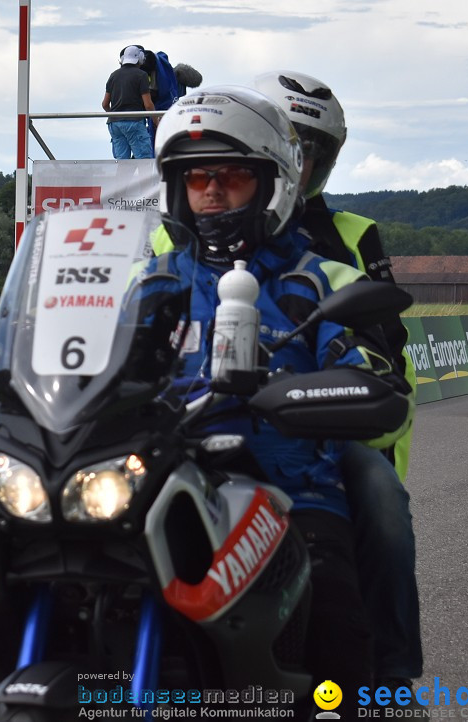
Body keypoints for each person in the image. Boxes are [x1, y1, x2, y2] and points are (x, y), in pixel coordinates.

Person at [138, 85, 414, 702]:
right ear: (176, 187)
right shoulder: (150, 279)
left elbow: (370, 364)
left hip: (292, 482)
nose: (211, 191)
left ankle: (382, 693)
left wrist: (319, 391)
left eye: (230, 177)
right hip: (166, 479)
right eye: (197, 178)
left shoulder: (319, 278)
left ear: (272, 185)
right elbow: (84, 357)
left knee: (336, 612)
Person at [253, 70, 424, 690]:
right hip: (198, 418)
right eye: (287, 145)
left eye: (311, 153)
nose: (297, 164)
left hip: (322, 427)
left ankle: (392, 678)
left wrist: (347, 388)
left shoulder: (349, 238)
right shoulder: (179, 227)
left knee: (380, 502)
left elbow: (385, 351)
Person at [101, 45, 155, 160]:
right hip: (134, 122)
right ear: (140, 58)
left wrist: (115, 115)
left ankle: (122, 179)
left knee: (122, 162)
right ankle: (145, 179)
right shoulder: (142, 75)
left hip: (114, 124)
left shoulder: (113, 75)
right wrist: (156, 121)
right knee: (144, 161)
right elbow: (148, 105)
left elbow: (105, 104)